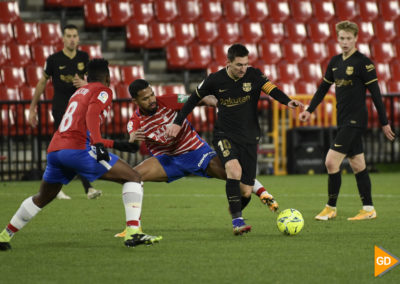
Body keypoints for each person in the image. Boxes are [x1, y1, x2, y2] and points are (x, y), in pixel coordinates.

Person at [0, 59, 162, 251]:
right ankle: (134, 233)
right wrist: (100, 144)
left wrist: (116, 144)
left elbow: (80, 128)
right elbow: (92, 115)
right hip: (77, 150)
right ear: (108, 78)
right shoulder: (104, 90)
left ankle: (5, 235)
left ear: (87, 77)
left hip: (56, 150)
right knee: (133, 177)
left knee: (43, 197)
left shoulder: (78, 93)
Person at [114, 79, 279, 237]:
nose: (151, 100)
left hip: (197, 153)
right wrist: (134, 138)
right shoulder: (135, 121)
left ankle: (263, 194)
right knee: (132, 177)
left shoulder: (169, 100)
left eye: (152, 94)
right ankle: (133, 227)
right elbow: (132, 139)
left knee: (241, 184)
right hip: (167, 161)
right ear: (134, 101)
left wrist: (219, 103)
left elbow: (201, 98)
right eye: (145, 98)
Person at [166, 44, 303, 235]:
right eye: (239, 65)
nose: (243, 69)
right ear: (228, 62)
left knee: (246, 191)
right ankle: (237, 221)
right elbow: (192, 99)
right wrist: (178, 122)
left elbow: (271, 89)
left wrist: (287, 101)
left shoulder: (254, 75)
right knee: (233, 168)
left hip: (249, 137)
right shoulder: (215, 80)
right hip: (225, 135)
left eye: (246, 64)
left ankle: (235, 209)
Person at [299, 21, 395, 221]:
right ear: (337, 38)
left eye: (348, 38)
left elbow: (376, 95)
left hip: (356, 120)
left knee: (331, 161)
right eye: (341, 38)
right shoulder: (334, 62)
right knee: (358, 164)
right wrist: (309, 110)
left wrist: (384, 122)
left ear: (356, 39)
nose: (344, 42)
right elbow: (322, 89)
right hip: (342, 120)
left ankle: (330, 207)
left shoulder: (363, 63)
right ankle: (368, 209)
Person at [28, 24, 101, 200]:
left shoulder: (84, 57)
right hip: (62, 109)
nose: (72, 39)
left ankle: (57, 185)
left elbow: (93, 83)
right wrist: (32, 108)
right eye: (68, 36)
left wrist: (85, 85)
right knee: (74, 146)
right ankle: (88, 187)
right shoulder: (53, 59)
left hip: (80, 108)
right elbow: (41, 83)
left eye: (74, 36)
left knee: (69, 147)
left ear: (78, 38)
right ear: (63, 38)